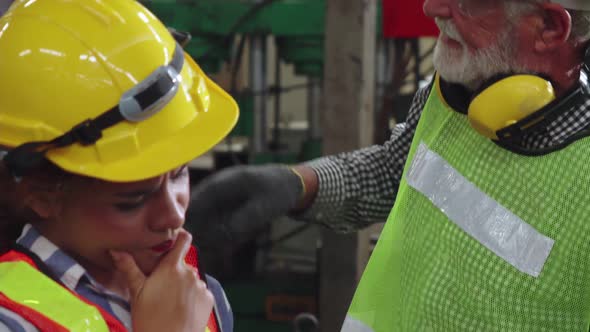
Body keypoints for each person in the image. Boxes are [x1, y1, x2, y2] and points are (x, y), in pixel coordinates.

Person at [188, 0, 590, 330]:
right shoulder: (460, 88)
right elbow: (395, 171)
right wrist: (298, 184)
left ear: (550, 27)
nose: (433, 7)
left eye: (469, 2)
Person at [0, 0, 238, 331]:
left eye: (180, 172)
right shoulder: (12, 320)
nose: (174, 215)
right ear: (41, 195)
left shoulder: (200, 296)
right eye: (133, 200)